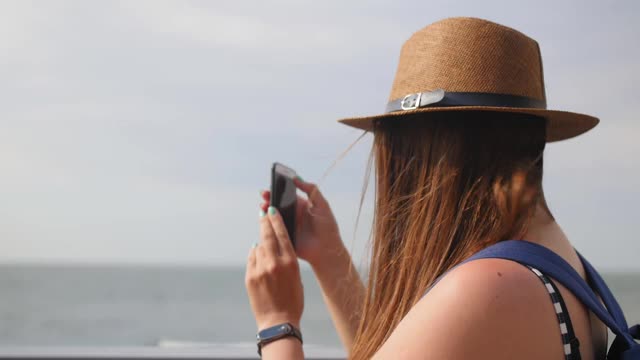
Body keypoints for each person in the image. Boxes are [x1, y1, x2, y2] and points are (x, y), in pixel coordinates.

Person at [245, 17, 609, 359]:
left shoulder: (488, 289)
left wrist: (278, 323)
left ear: (413, 155)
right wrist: (330, 258)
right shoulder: (564, 266)